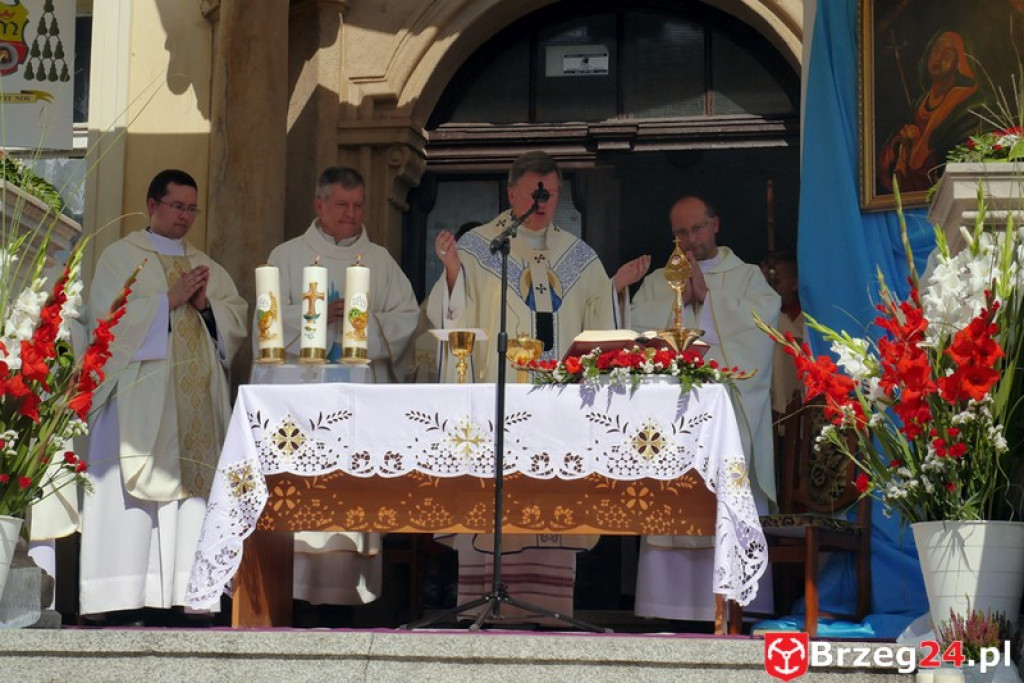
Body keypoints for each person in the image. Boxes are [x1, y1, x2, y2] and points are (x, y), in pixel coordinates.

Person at [428, 150, 650, 622]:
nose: (543, 200)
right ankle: (482, 607)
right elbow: (451, 318)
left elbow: (600, 328)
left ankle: (545, 612)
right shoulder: (478, 247)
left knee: (551, 499)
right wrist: (451, 271)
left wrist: (614, 290)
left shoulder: (578, 255)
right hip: (495, 401)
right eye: (535, 191)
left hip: (556, 407)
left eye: (550, 192)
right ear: (512, 194)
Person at [79, 169, 249, 623]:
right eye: (177, 207)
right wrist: (166, 301)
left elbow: (235, 320)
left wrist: (206, 307)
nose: (185, 217)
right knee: (131, 497)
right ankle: (117, 595)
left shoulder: (204, 261)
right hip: (140, 399)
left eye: (192, 209)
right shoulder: (121, 257)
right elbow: (104, 321)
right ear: (152, 205)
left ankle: (189, 594)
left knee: (192, 494)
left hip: (195, 405)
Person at [265, 166, 420, 610]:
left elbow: (406, 320)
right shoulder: (287, 256)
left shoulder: (381, 261)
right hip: (301, 406)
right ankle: (291, 598)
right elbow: (268, 323)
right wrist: (314, 318)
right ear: (319, 205)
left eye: (358, 206)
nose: (351, 214)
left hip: (359, 406)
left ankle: (347, 600)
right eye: (341, 205)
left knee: (350, 497)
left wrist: (358, 323)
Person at [630, 195, 779, 623]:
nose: (689, 240)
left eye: (697, 229)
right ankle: (667, 604)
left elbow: (761, 337)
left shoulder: (748, 276)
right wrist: (679, 301)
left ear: (715, 225)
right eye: (680, 233)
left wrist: (706, 298)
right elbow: (636, 329)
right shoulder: (659, 281)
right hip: (671, 421)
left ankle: (737, 603)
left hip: (730, 417)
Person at [877, 31, 985, 193]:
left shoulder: (966, 103)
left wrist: (924, 150)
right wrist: (904, 144)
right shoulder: (918, 103)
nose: (938, 58)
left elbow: (957, 151)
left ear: (959, 63)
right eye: (935, 51)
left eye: (947, 54)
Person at [761, 251, 804, 419]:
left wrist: (769, 302)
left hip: (792, 411)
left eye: (776, 281)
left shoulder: (804, 319)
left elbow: (794, 339)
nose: (770, 286)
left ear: (794, 284)